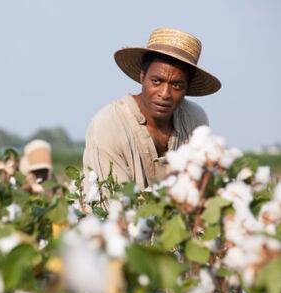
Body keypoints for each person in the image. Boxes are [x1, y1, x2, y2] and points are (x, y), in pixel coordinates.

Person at [83, 28, 221, 190]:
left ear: (187, 88)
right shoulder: (109, 124)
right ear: (143, 77)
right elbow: (111, 204)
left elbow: (199, 187)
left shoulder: (193, 120)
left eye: (177, 85)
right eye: (156, 81)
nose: (165, 94)